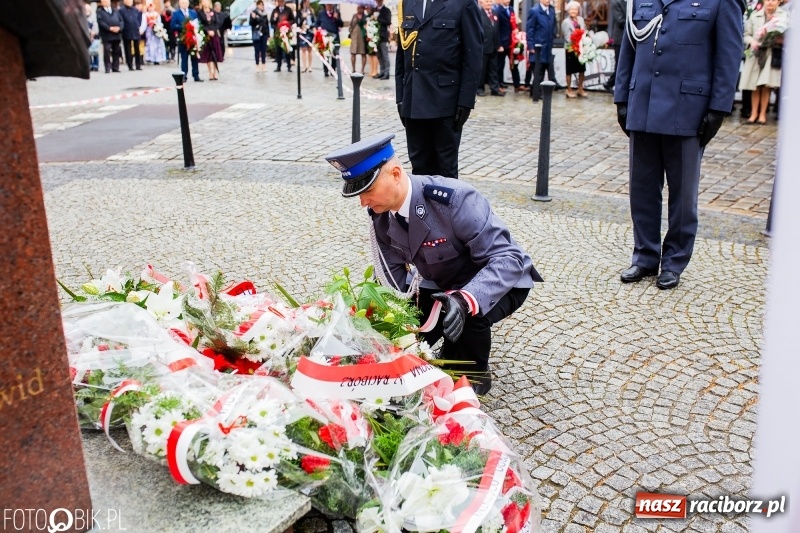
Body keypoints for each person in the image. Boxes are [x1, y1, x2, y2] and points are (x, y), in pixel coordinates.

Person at [324, 133, 543, 395]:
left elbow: (509, 259)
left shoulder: (454, 200)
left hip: (500, 282)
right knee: (407, 342)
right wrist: (398, 318)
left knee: (469, 322)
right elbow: (394, 280)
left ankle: (475, 376)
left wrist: (464, 300)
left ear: (395, 174)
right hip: (441, 283)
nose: (363, 202)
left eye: (368, 190)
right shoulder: (381, 216)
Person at [614, 0, 744, 289]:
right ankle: (645, 256)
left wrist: (719, 108)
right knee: (642, 189)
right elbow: (628, 49)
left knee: (683, 196)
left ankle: (674, 261)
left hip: (688, 110)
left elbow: (729, 54)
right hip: (643, 106)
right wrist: (622, 98)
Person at [395, 0, 482, 179]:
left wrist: (466, 101)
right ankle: (422, 207)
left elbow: (473, 57)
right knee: (418, 167)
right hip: (414, 100)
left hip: (446, 101)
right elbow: (401, 57)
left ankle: (446, 208)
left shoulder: (463, 4)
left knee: (446, 169)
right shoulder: (408, 3)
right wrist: (400, 97)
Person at [740, 0, 785, 124]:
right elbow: (745, 34)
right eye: (768, 0)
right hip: (755, 53)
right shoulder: (755, 15)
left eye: (774, 0)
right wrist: (752, 41)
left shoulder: (783, 17)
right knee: (754, 84)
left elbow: (788, 34)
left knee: (766, 85)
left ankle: (762, 114)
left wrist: (779, 38)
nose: (770, 3)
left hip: (771, 53)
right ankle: (753, 113)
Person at [525, 0, 556, 97]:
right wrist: (530, 45)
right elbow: (530, 29)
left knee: (544, 69)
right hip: (538, 46)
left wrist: (553, 37)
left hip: (547, 46)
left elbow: (553, 26)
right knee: (538, 70)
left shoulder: (551, 10)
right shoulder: (534, 11)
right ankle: (536, 92)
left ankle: (536, 90)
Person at [171, 0, 203, 81]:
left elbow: (198, 23)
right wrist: (184, 27)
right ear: (180, 4)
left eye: (186, 3)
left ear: (188, 4)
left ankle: (196, 75)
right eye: (182, 3)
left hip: (193, 39)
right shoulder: (176, 13)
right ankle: (184, 76)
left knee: (194, 58)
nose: (184, 4)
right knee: (184, 58)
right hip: (183, 39)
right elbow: (173, 26)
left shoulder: (193, 12)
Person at [478, 0, 504, 97]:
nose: (489, 3)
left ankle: (495, 88)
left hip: (493, 46)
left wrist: (499, 44)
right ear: (481, 2)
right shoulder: (478, 14)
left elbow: (497, 31)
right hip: (483, 46)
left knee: (493, 69)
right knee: (482, 69)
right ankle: (480, 88)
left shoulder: (495, 13)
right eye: (486, 1)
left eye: (490, 1)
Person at [561, 1, 586, 98]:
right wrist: (576, 42)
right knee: (570, 70)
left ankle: (580, 88)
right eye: (572, 9)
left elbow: (584, 31)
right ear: (568, 10)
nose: (574, 11)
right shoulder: (565, 22)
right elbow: (567, 38)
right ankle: (569, 89)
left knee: (582, 69)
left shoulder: (581, 20)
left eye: (575, 9)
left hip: (581, 49)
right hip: (570, 49)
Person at [96, 0, 124, 73]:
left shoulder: (115, 10)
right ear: (102, 2)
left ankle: (115, 67)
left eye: (108, 1)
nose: (107, 2)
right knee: (107, 51)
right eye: (105, 1)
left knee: (116, 51)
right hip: (107, 35)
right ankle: (107, 67)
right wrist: (109, 28)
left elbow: (121, 21)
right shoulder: (99, 11)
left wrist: (119, 28)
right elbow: (101, 22)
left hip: (116, 34)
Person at [198, 0, 223, 80]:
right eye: (204, 1)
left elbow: (217, 23)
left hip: (214, 35)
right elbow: (200, 23)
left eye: (207, 1)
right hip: (206, 35)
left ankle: (215, 72)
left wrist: (213, 31)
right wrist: (207, 31)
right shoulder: (200, 12)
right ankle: (210, 72)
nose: (205, 3)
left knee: (215, 53)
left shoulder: (213, 12)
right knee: (208, 54)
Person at [603, 0, 625, 91]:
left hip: (624, 38)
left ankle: (610, 83)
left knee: (622, 64)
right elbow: (620, 20)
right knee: (620, 64)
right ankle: (610, 83)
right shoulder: (616, 2)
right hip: (620, 39)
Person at [317, 3, 343, 77]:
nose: (329, 6)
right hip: (325, 37)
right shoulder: (321, 13)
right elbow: (317, 23)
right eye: (328, 5)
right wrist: (317, 28)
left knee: (334, 54)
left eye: (330, 5)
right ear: (325, 5)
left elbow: (341, 24)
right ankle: (326, 70)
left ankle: (333, 69)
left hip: (334, 36)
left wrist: (336, 18)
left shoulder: (336, 12)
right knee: (325, 54)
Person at [270, 0, 296, 72]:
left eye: (281, 1)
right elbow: (271, 22)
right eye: (279, 1)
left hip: (286, 32)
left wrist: (287, 23)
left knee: (287, 49)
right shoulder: (275, 10)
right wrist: (275, 19)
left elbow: (293, 20)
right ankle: (278, 66)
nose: (280, 3)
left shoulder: (288, 10)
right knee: (278, 50)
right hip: (278, 33)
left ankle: (289, 66)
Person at [119, 0, 144, 70]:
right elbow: (120, 20)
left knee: (137, 48)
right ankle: (130, 65)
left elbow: (139, 18)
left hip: (135, 30)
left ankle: (138, 65)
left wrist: (138, 26)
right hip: (126, 31)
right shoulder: (121, 10)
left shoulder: (135, 10)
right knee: (128, 49)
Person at [374, 0, 392, 79]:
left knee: (385, 56)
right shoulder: (374, 9)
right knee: (379, 56)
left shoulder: (386, 10)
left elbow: (388, 21)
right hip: (375, 36)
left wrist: (378, 19)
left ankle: (387, 73)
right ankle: (382, 72)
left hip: (383, 35)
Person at [250, 0, 270, 72]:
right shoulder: (254, 13)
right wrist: (254, 18)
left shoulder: (264, 13)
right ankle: (257, 65)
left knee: (263, 50)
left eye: (262, 5)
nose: (262, 6)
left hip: (264, 33)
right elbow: (251, 23)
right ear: (257, 5)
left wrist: (268, 35)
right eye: (260, 5)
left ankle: (263, 64)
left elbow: (267, 24)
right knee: (257, 50)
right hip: (257, 34)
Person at [349, 5, 368, 74]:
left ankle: (362, 69)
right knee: (353, 53)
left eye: (360, 8)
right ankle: (353, 69)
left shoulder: (365, 16)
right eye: (358, 8)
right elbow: (351, 25)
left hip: (362, 37)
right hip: (354, 37)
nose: (359, 9)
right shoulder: (354, 16)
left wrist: (361, 20)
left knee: (363, 53)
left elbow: (366, 25)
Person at [298, 0, 315, 73]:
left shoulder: (311, 11)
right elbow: (298, 22)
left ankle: (310, 65)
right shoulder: (300, 12)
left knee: (309, 49)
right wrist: (302, 17)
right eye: (305, 2)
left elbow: (314, 21)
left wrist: (311, 26)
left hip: (310, 31)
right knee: (303, 49)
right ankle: (304, 65)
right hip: (303, 31)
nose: (307, 4)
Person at [86, 4, 101, 72]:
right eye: (86, 10)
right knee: (88, 53)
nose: (87, 11)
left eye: (88, 10)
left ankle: (95, 65)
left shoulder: (93, 18)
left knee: (95, 52)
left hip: (95, 37)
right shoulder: (83, 18)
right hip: (86, 38)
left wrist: (93, 32)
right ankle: (89, 65)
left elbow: (96, 28)